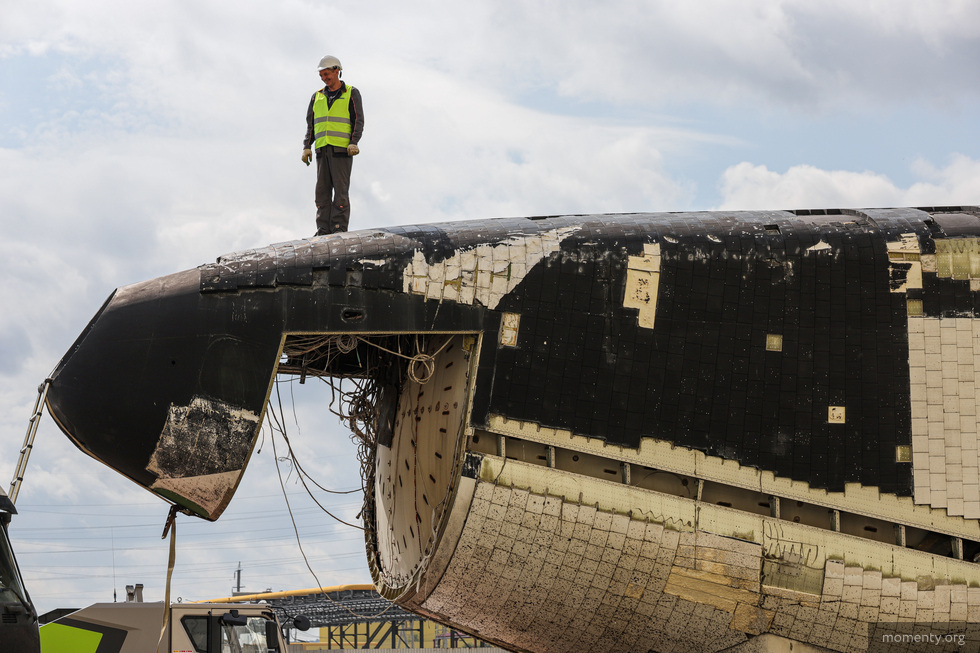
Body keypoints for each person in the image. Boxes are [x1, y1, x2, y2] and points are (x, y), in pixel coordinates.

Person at [302, 55, 364, 235]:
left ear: (337, 71)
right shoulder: (317, 97)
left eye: (327, 74)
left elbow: (358, 120)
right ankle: (323, 229)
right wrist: (307, 146)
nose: (324, 78)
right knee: (321, 192)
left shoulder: (351, 93)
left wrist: (354, 142)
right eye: (321, 75)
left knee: (340, 192)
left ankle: (338, 228)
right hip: (322, 150)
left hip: (341, 150)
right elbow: (311, 124)